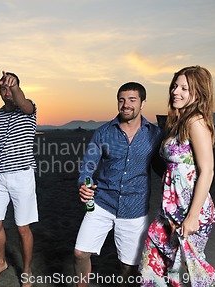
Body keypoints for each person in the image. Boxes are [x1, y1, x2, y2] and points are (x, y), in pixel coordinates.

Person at [139, 66, 215, 286]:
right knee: (154, 265)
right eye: (174, 86)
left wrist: (193, 216)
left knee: (191, 271)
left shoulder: (195, 122)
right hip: (170, 210)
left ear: (198, 93)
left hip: (191, 211)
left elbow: (207, 170)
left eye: (184, 88)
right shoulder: (177, 123)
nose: (175, 92)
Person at [74, 82, 164, 286]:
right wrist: (83, 184)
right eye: (122, 100)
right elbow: (88, 165)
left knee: (128, 267)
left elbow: (161, 167)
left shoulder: (155, 135)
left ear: (143, 103)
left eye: (132, 100)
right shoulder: (103, 132)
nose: (126, 105)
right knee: (80, 253)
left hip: (134, 208)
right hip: (102, 203)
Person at [0, 71, 37, 286]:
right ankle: (1, 262)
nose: (6, 92)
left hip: (22, 176)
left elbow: (23, 102)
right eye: (3, 89)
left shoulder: (28, 109)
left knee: (22, 227)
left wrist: (14, 86)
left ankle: (26, 270)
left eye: (9, 88)